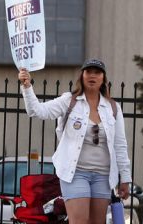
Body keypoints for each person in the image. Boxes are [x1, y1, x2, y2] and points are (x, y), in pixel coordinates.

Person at [18, 58, 131, 224]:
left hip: (104, 175)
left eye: (97, 72)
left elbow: (120, 145)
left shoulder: (113, 107)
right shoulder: (69, 100)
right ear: (82, 76)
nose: (92, 75)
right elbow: (37, 111)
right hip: (75, 173)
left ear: (103, 78)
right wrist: (27, 86)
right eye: (88, 72)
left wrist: (125, 178)